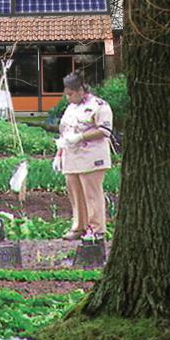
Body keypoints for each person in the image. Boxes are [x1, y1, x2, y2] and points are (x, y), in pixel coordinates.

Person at [54, 72, 112, 241]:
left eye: (71, 94)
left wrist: (81, 137)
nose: (68, 98)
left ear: (80, 90)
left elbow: (105, 130)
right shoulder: (71, 107)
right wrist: (59, 154)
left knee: (91, 194)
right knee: (75, 193)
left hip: (91, 156)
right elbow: (65, 131)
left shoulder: (99, 106)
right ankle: (79, 226)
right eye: (66, 94)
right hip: (71, 157)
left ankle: (97, 229)